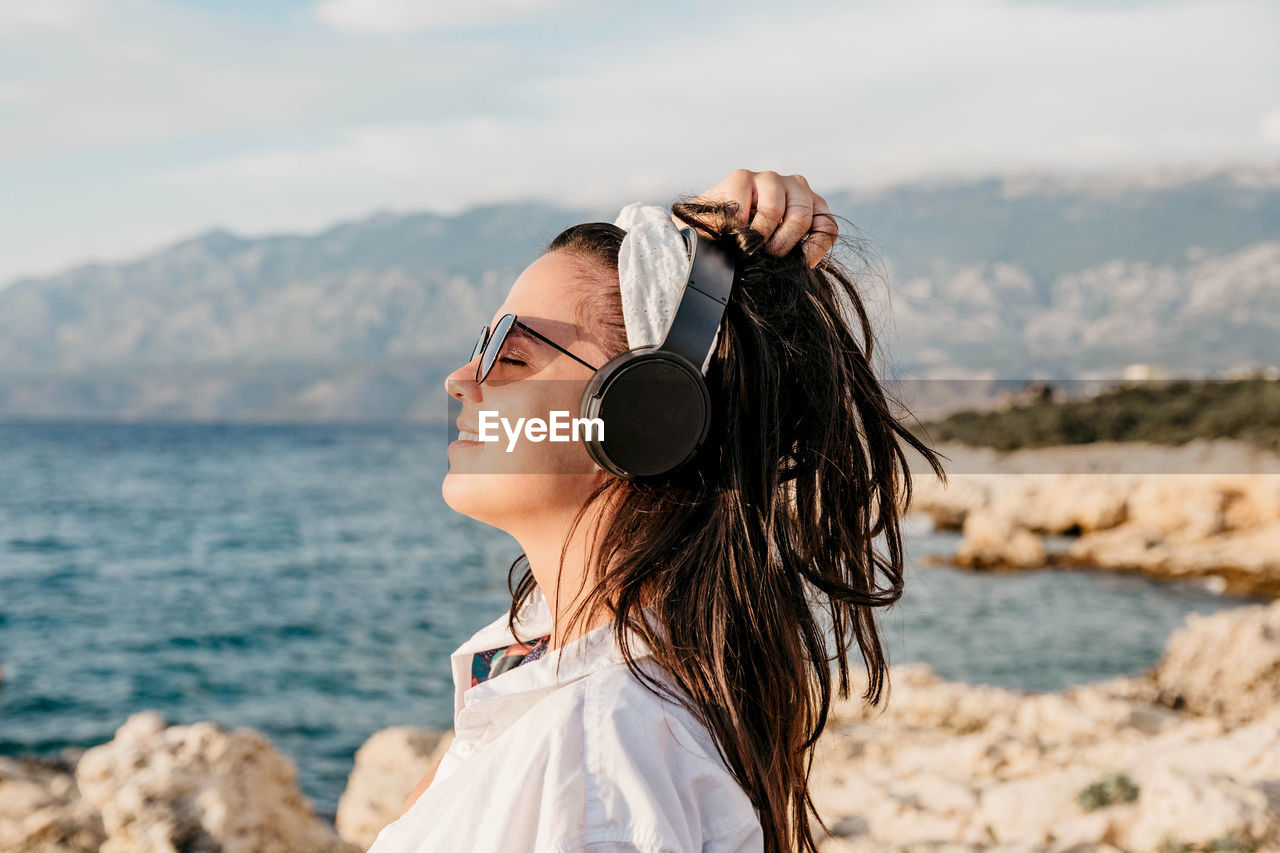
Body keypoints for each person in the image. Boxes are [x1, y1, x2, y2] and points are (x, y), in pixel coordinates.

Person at [366, 169, 947, 853]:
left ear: (646, 413)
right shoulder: (558, 679)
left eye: (510, 354)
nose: (462, 379)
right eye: (478, 347)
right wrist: (726, 254)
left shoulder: (594, 768)